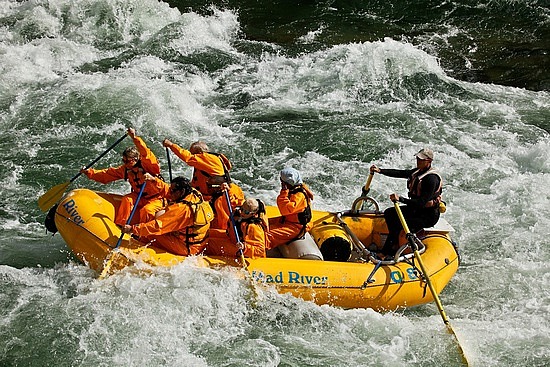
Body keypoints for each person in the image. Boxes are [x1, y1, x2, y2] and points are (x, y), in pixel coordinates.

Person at [81, 128, 164, 226]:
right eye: (124, 161)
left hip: (157, 199)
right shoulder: (126, 169)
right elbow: (107, 174)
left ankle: (142, 234)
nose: (126, 164)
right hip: (139, 197)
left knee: (147, 210)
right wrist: (89, 172)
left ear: (136, 159)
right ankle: (120, 225)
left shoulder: (148, 166)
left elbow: (146, 152)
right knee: (127, 199)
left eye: (128, 161)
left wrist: (134, 137)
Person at [370, 148, 443, 256]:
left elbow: (421, 203)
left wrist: (401, 199)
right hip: (416, 210)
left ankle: (388, 252)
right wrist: (380, 170)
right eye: (417, 158)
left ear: (429, 161)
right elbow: (401, 173)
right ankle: (393, 245)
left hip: (427, 216)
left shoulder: (431, 179)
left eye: (421, 159)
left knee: (399, 223)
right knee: (390, 213)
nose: (418, 161)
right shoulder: (417, 172)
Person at [121, 176, 214, 256]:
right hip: (197, 242)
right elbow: (167, 191)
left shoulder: (182, 210)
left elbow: (157, 227)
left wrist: (133, 229)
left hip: (187, 248)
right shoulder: (194, 193)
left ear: (181, 191)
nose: (170, 193)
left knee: (150, 234)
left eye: (173, 191)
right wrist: (154, 180)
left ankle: (138, 246)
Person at [162, 139, 232, 201]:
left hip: (211, 198)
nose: (194, 157)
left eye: (193, 154)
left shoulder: (207, 158)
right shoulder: (209, 161)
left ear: (200, 152)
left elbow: (188, 158)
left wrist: (171, 145)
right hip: (208, 195)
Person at [267, 168, 314, 250]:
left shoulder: (299, 196)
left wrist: (284, 192)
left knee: (266, 234)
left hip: (296, 227)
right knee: (263, 223)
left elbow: (285, 210)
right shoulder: (295, 189)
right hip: (288, 220)